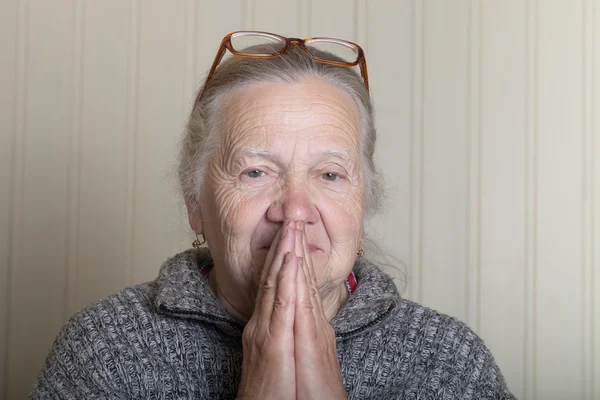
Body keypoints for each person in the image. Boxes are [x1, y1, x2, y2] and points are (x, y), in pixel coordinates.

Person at [31, 31, 515, 399]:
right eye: (256, 172)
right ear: (195, 206)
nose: (296, 211)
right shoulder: (105, 351)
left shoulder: (448, 362)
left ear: (362, 209)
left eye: (329, 175)